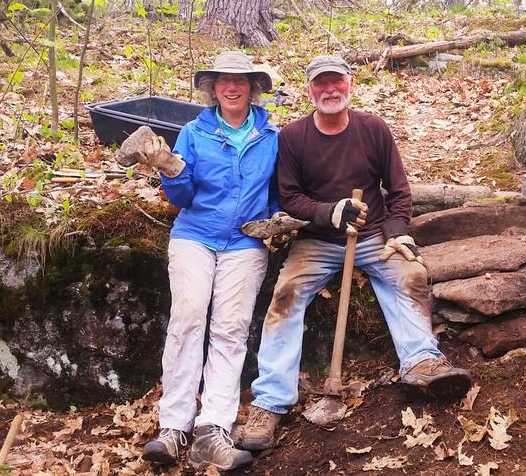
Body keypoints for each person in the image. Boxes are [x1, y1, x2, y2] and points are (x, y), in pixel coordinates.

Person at [235, 55, 472, 452]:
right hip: (317, 241)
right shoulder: (293, 138)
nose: (330, 90)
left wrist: (398, 232)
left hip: (374, 235)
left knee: (411, 277)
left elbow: (399, 190)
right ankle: (271, 402)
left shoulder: (373, 129)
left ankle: (422, 362)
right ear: (309, 90)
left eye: (336, 82)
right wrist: (330, 213)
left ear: (349, 84)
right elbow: (289, 197)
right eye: (320, 84)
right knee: (285, 295)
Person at [136, 51, 278, 471]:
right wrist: (169, 167)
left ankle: (212, 428)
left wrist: (275, 222)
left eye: (241, 81)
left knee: (231, 328)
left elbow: (279, 192)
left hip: (245, 243)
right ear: (212, 87)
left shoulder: (272, 137)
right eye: (223, 81)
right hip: (194, 236)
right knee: (188, 315)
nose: (232, 87)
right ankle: (173, 426)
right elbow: (181, 199)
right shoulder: (193, 132)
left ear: (253, 88)